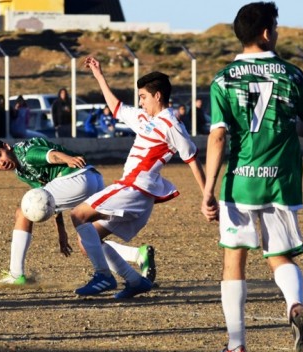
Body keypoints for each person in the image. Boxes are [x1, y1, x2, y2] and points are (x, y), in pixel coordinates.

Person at [200, 2, 303, 352]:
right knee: (279, 254)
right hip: (281, 178)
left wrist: (208, 189)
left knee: (234, 258)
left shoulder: (222, 79)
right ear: (268, 32)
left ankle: (236, 346)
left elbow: (218, 138)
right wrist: (289, 127)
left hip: (240, 180)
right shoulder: (292, 74)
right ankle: (294, 304)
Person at [70, 57, 206, 299]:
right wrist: (99, 75)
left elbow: (192, 159)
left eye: (143, 96)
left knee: (78, 215)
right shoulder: (145, 119)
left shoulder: (172, 125)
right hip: (137, 196)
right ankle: (135, 281)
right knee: (87, 242)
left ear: (158, 96)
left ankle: (103, 276)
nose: (140, 102)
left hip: (134, 188)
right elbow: (116, 108)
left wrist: (207, 197)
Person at [0, 138, 157, 286]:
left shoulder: (24, 152)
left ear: (6, 146)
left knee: (22, 212)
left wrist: (67, 159)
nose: (0, 162)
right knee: (87, 241)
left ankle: (16, 274)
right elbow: (45, 198)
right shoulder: (20, 171)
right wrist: (61, 231)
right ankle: (137, 255)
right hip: (92, 178)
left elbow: (50, 155)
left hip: (75, 177)